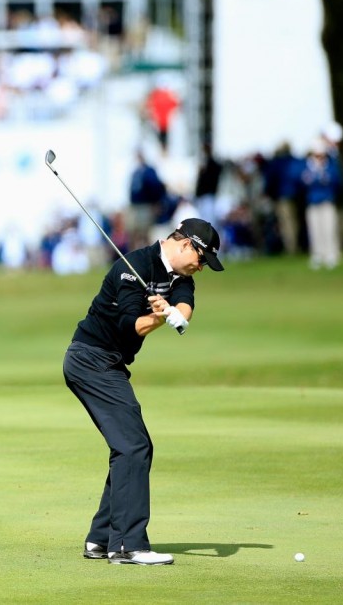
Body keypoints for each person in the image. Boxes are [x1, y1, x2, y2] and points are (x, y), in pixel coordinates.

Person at [63, 218, 224, 566]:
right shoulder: (132, 267)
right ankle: (128, 546)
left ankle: (101, 538)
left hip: (111, 364)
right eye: (201, 259)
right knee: (134, 446)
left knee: (132, 446)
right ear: (185, 245)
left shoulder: (182, 275)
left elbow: (184, 302)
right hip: (90, 359)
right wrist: (159, 318)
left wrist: (176, 314)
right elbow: (130, 325)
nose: (201, 267)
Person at [299, 138, 343, 269]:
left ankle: (331, 254)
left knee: (329, 228)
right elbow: (302, 182)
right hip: (313, 202)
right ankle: (317, 254)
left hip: (327, 200)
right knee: (315, 230)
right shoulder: (307, 166)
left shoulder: (330, 165)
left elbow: (337, 181)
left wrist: (323, 177)